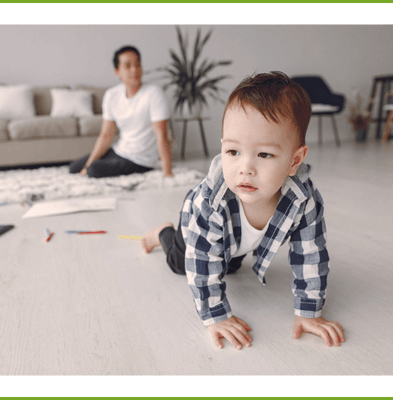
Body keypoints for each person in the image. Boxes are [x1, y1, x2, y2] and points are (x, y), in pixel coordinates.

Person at [141, 71, 345, 350]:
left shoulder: (303, 200)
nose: (244, 168)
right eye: (233, 152)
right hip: (195, 231)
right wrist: (216, 317)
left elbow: (311, 255)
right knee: (180, 264)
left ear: (295, 160)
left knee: (231, 266)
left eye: (264, 154)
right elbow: (201, 263)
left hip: (236, 242)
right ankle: (163, 232)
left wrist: (309, 312)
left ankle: (228, 253)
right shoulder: (211, 201)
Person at [69, 46, 173, 178]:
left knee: (93, 170)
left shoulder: (154, 93)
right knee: (74, 167)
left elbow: (162, 135)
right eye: (128, 66)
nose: (134, 69)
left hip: (141, 160)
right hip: (120, 151)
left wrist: (167, 172)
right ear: (117, 72)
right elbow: (106, 135)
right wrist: (87, 164)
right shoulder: (112, 95)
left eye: (137, 64)